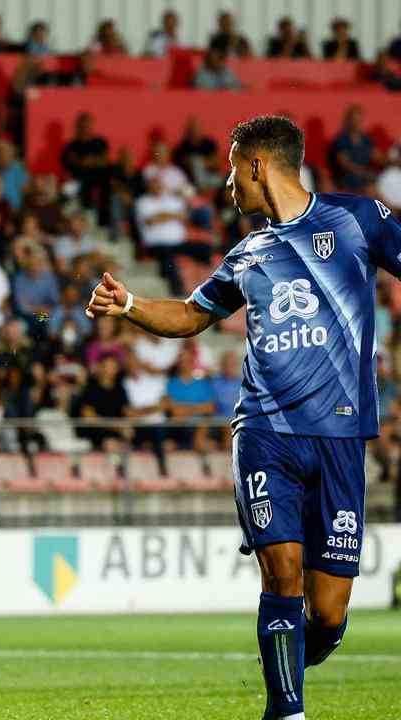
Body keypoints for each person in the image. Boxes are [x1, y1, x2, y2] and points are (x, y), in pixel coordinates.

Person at [85, 115, 401, 720]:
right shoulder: (247, 253)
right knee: (282, 573)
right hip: (263, 432)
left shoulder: (358, 221)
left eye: (232, 168)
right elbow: (189, 315)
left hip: (339, 436)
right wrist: (127, 304)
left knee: (328, 617)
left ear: (257, 165)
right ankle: (286, 712)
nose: (226, 184)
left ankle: (281, 662)